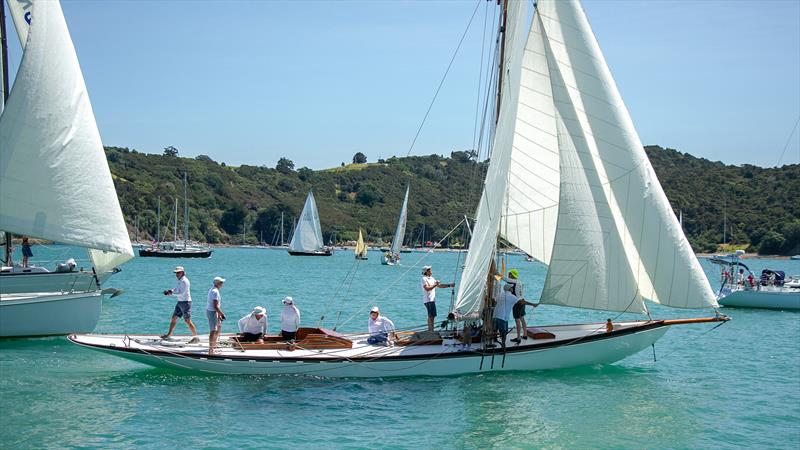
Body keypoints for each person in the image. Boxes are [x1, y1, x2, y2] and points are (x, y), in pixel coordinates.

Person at [161, 266, 198, 342]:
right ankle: (169, 335)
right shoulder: (179, 280)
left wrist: (171, 294)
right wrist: (170, 291)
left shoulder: (185, 281)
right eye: (176, 273)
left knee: (187, 320)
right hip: (180, 302)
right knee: (174, 318)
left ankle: (196, 337)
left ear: (183, 273)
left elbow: (182, 293)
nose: (177, 274)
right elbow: (175, 289)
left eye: (178, 272)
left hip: (186, 302)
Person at [420, 266, 454, 332]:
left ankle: (430, 329)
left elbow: (439, 285)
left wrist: (449, 285)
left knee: (431, 315)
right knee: (432, 315)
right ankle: (431, 330)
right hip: (428, 299)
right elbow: (427, 288)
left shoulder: (432, 278)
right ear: (426, 272)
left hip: (432, 300)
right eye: (429, 270)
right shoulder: (424, 279)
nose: (431, 271)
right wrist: (435, 284)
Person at [206, 276, 226, 354]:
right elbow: (215, 306)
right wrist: (222, 314)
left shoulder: (213, 289)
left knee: (218, 328)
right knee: (213, 330)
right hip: (212, 312)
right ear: (217, 283)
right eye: (221, 282)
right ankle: (210, 350)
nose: (222, 284)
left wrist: (219, 314)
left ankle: (213, 346)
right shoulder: (215, 292)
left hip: (214, 312)